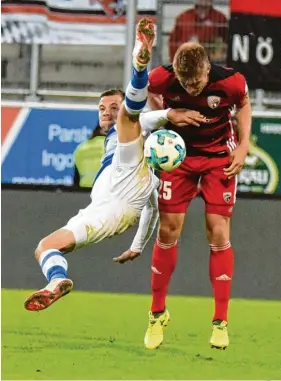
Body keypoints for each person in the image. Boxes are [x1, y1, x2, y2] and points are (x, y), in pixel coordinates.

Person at [24, 18, 204, 311]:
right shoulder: (143, 168)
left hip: (124, 179)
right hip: (106, 208)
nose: (106, 113)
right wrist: (137, 246)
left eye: (112, 107)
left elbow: (141, 119)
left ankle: (139, 65)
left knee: (129, 120)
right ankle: (56, 281)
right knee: (45, 247)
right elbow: (153, 208)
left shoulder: (130, 135)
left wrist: (168, 115)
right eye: (102, 109)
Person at [143, 42, 252, 350]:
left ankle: (220, 321)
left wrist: (243, 147)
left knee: (218, 231)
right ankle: (156, 314)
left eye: (197, 82)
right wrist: (166, 114)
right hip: (178, 159)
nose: (191, 89)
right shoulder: (162, 78)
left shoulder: (231, 81)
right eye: (185, 83)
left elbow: (244, 105)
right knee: (168, 230)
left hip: (219, 157)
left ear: (207, 68)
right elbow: (138, 91)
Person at [169, 0, 228, 64]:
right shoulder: (183, 17)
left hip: (210, 65)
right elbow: (173, 42)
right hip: (186, 64)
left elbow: (227, 42)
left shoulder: (220, 18)